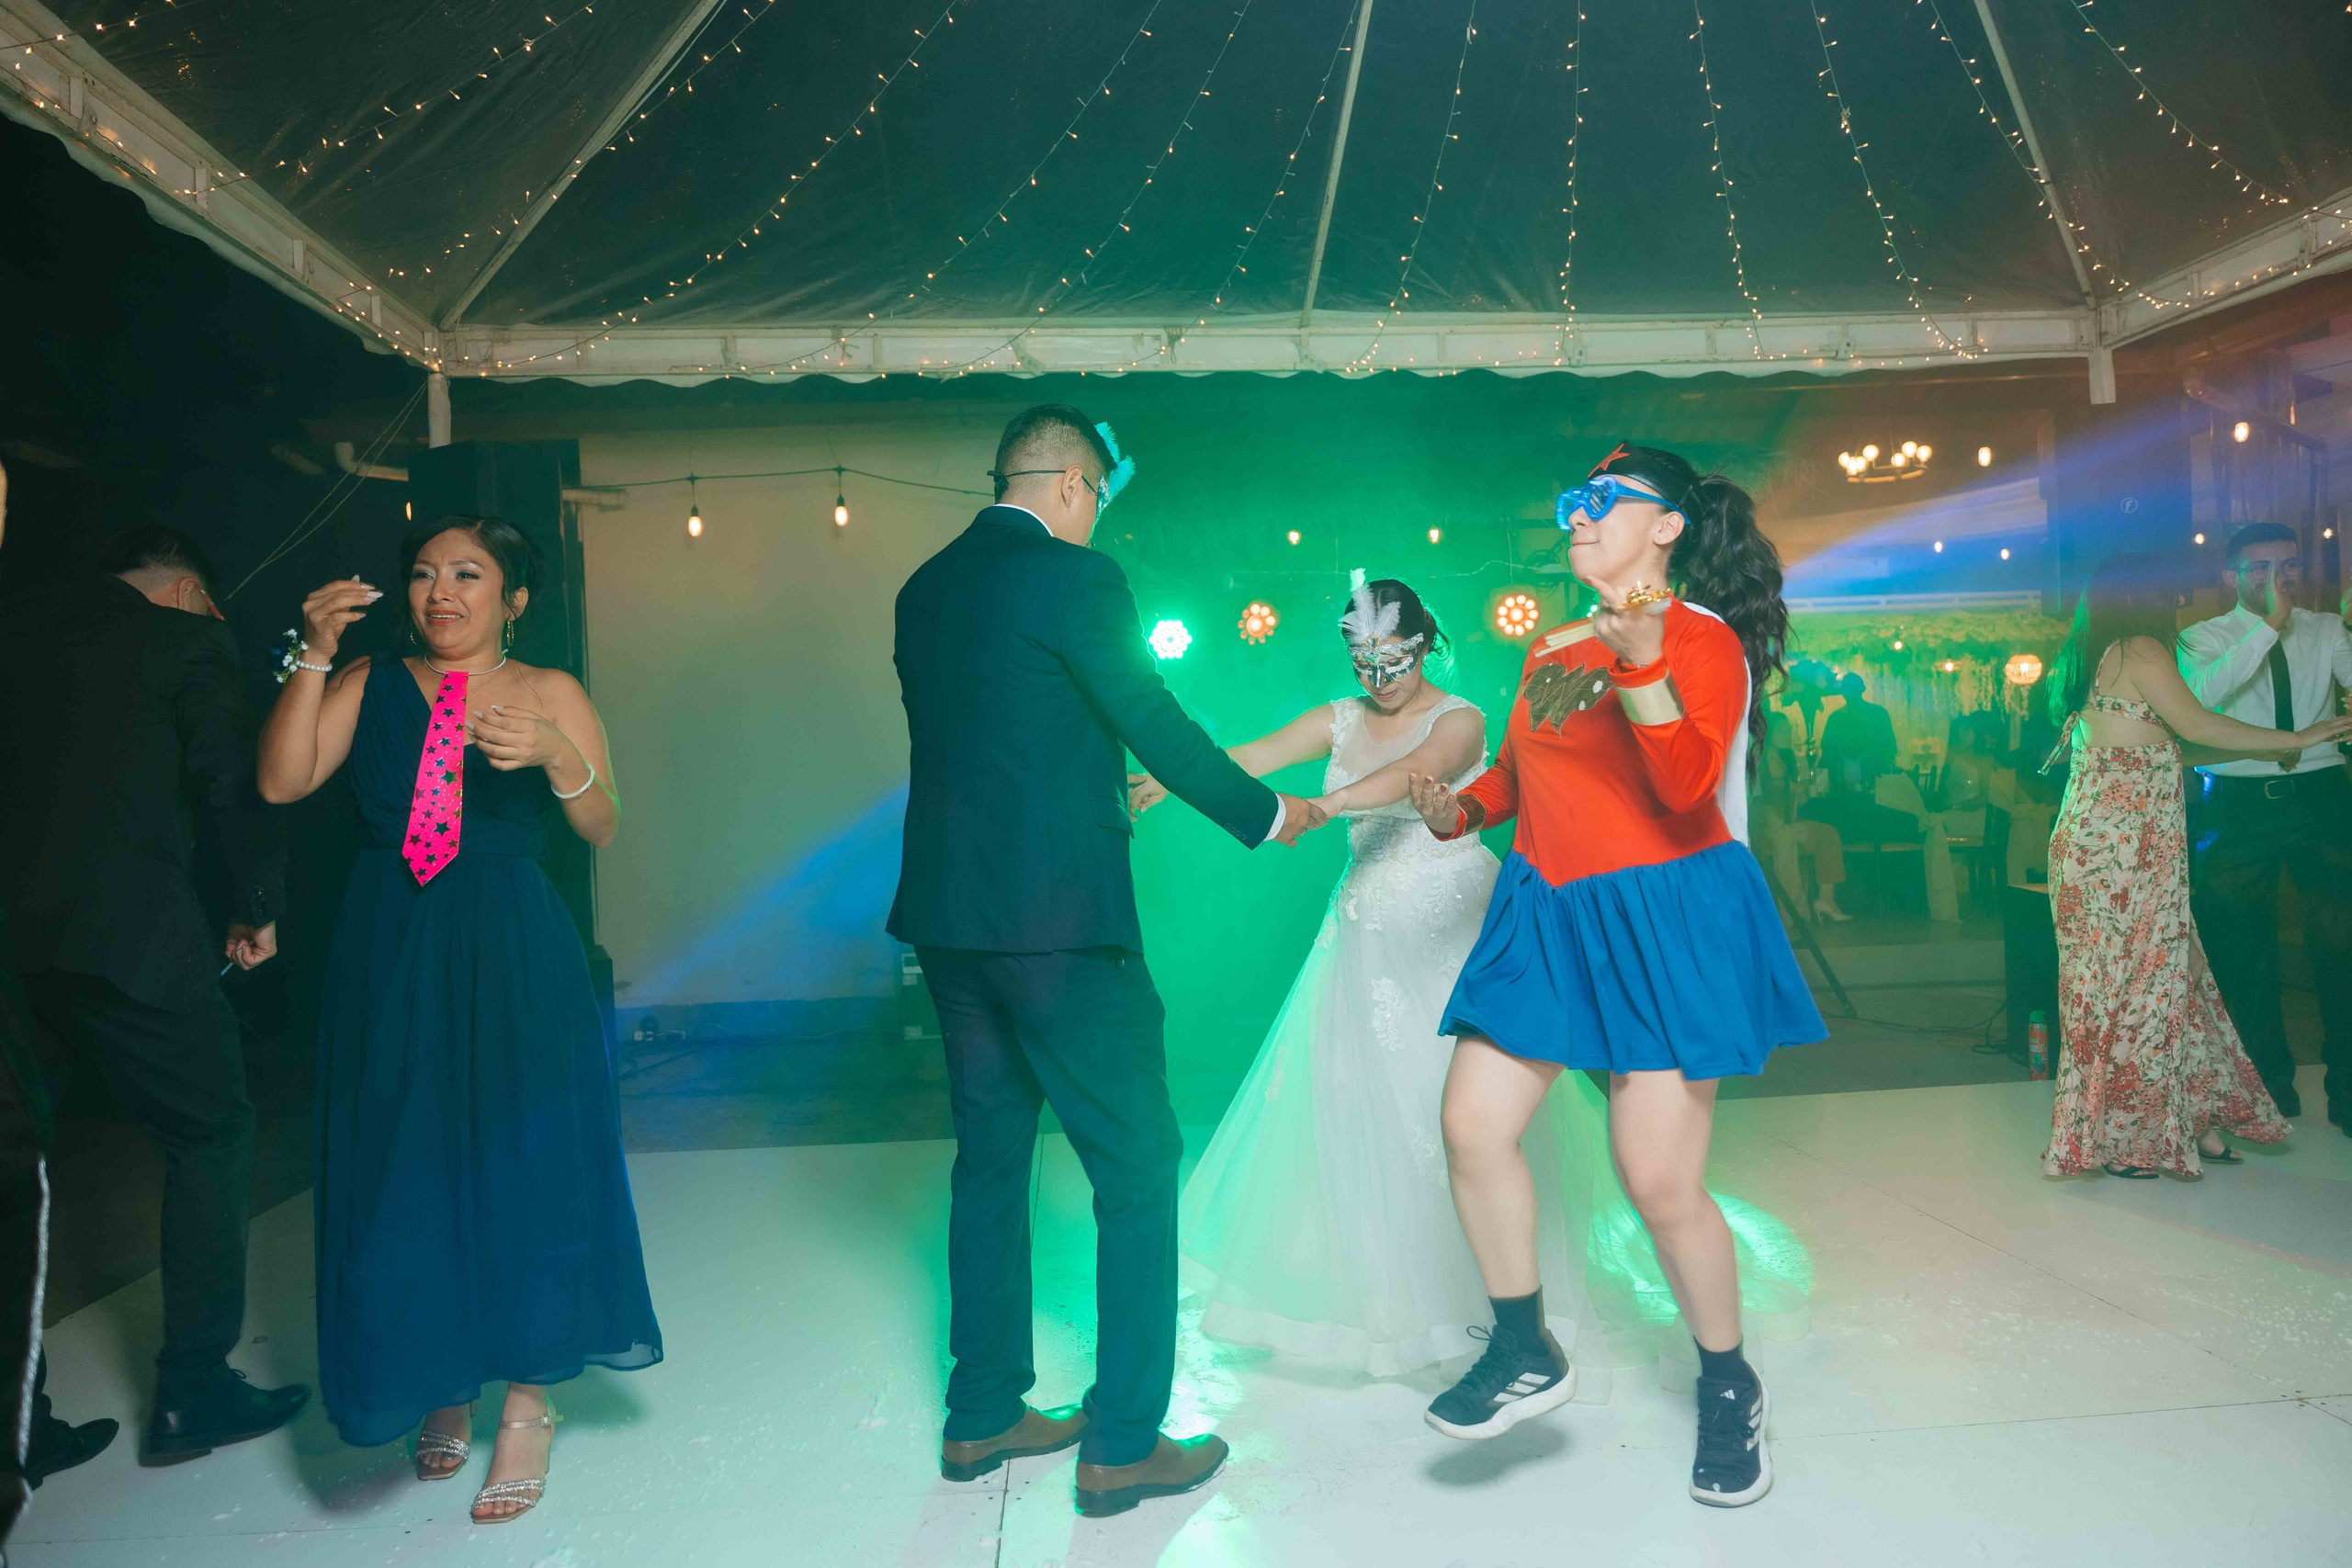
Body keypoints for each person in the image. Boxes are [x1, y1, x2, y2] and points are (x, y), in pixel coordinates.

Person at [888, 405, 1324, 1518]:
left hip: (949, 922)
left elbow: (994, 746)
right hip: (1062, 929)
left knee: (989, 1162)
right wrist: (1268, 813)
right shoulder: (1079, 581)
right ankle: (1123, 1442)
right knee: (1136, 1168)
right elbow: (1154, 720)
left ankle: (981, 1412)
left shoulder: (924, 587)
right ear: (1076, 485)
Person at [1408, 444, 1824, 1508]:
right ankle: (1522, 1345)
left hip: (1667, 913)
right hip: (1548, 909)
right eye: (1571, 503)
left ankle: (1729, 1383)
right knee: (1471, 1126)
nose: (1578, 517)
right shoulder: (1548, 642)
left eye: (1603, 502)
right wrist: (1461, 808)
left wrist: (1638, 660)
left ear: (1667, 528)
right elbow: (1525, 767)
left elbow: (1685, 784)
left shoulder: (1704, 640)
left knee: (1659, 1183)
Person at [256, 515, 661, 1525]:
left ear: (512, 600)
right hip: (390, 942)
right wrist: (314, 655)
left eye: (469, 575)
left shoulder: (549, 691)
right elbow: (281, 780)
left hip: (514, 944)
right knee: (408, 1160)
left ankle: (527, 1403)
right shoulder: (369, 685)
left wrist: (560, 753)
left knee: (525, 1162)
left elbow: (603, 819)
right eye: (427, 574)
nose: (442, 592)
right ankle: (438, 1371)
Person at [1145, 575, 1600, 1379]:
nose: (1378, 677)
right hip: (1362, 936)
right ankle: (1404, 1305)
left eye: (1393, 658)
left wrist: (1324, 807)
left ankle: (1507, 1304)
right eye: (1363, 661)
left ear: (1425, 644)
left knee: (1463, 1114)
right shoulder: (1339, 717)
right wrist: (1178, 779)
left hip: (1451, 924)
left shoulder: (1459, 719)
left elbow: (1414, 774)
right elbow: (1250, 756)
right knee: (1363, 1112)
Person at [0, 519, 303, 1466]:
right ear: (183, 592)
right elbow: (232, 787)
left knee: (12, 1174)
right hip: (127, 935)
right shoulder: (180, 637)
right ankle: (192, 1395)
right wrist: (256, 904)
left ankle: (17, 1429)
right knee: (212, 1132)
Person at [2040, 552, 2335, 1179]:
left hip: (2114, 844)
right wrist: (2300, 739)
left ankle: (2188, 1118)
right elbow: (2199, 723)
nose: (2181, 596)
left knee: (2173, 973)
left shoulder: (2093, 653)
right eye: (2170, 585)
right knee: (2134, 986)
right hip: (2120, 850)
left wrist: (2288, 747)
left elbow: (2176, 742)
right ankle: (2124, 1139)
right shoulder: (2140, 647)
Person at [2178, 522, 2352, 1130]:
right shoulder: (2200, 638)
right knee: (2241, 948)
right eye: (2261, 568)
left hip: (2321, 796)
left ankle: (2350, 1090)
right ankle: (2267, 1089)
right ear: (2230, 576)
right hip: (2238, 801)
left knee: (2342, 944)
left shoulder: (2329, 628)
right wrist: (2269, 626)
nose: (2279, 578)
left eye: (2289, 564)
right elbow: (2199, 704)